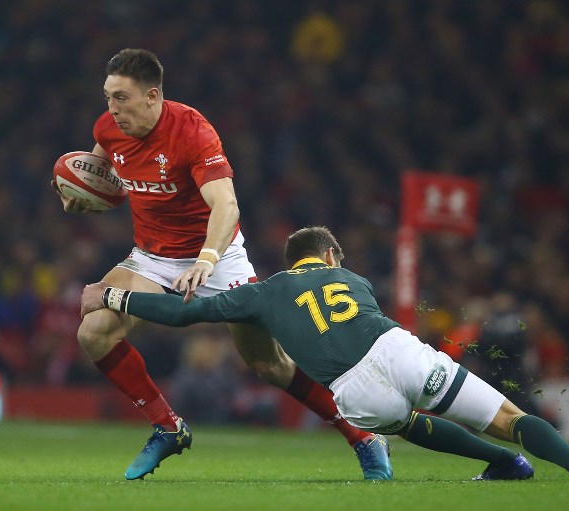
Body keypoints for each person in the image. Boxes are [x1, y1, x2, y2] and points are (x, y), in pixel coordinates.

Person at [81, 226, 569, 483]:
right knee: (507, 415)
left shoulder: (261, 293)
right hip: (396, 348)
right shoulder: (352, 276)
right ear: (330, 254)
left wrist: (117, 295)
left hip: (353, 389)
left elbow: (183, 314)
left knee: (405, 424)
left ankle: (501, 464)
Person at [52, 49, 391, 481]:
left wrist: (208, 259)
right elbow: (101, 175)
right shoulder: (109, 128)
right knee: (93, 330)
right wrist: (76, 196)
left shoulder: (193, 132)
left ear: (153, 96)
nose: (112, 109)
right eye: (107, 97)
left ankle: (361, 436)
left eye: (121, 98)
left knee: (268, 365)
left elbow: (226, 205)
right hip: (152, 257)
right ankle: (168, 427)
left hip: (218, 257)